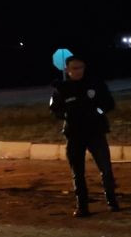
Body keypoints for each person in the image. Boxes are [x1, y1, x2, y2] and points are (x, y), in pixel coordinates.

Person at [50, 55, 119, 217]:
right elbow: (55, 110)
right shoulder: (62, 89)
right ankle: (82, 206)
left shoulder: (95, 84)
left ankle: (112, 201)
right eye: (74, 68)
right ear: (67, 70)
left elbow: (109, 104)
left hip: (96, 132)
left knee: (106, 168)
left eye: (80, 67)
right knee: (78, 172)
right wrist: (67, 115)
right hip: (74, 134)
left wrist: (97, 113)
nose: (78, 71)